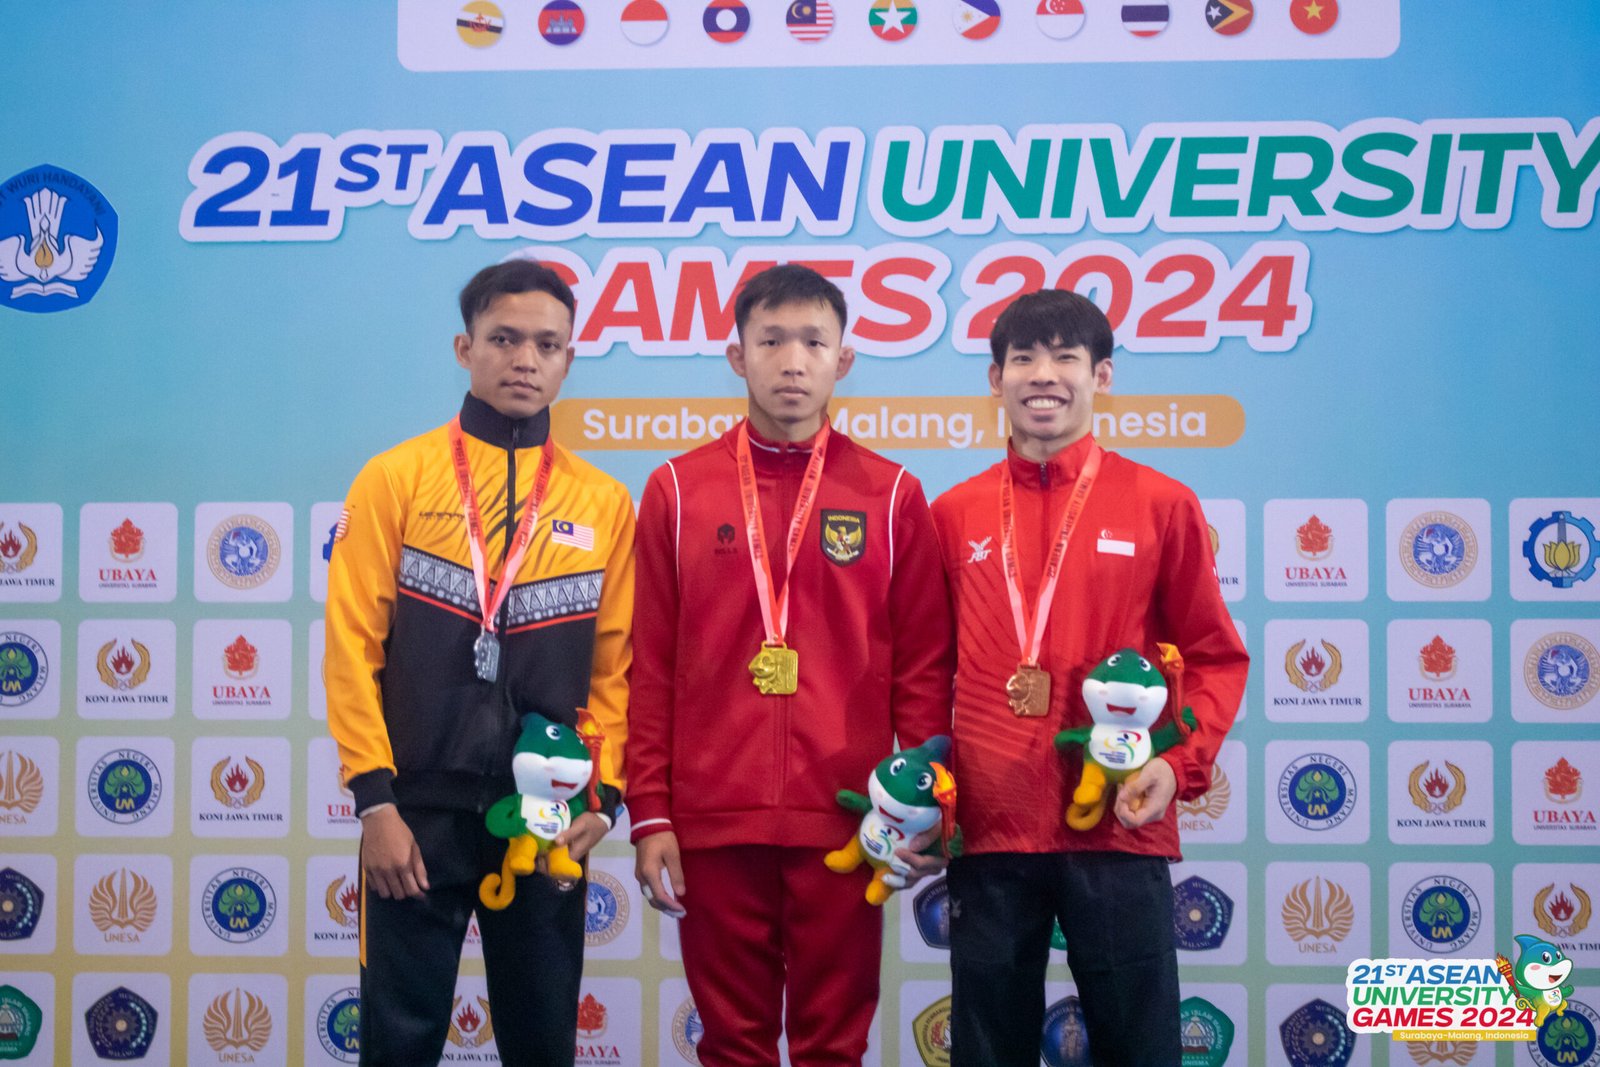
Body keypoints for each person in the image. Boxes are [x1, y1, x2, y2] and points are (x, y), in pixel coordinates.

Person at [626, 264, 955, 1067]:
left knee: (833, 1044)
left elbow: (921, 666)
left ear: (844, 360)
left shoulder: (893, 494)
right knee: (732, 1043)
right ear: (738, 356)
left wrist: (916, 806)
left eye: (814, 341)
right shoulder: (675, 489)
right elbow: (650, 667)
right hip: (712, 818)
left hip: (846, 819)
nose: (793, 360)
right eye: (771, 340)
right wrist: (652, 812)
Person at [324, 260, 635, 1067]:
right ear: (465, 348)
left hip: (544, 821)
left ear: (569, 359)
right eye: (504, 338)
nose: (524, 359)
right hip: (414, 816)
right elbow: (352, 650)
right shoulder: (395, 477)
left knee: (542, 1043)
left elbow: (614, 668)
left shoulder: (603, 502)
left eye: (547, 344)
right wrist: (375, 805)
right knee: (398, 1041)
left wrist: (604, 799)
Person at [930, 288, 1248, 1067]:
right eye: (1025, 358)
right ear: (994, 377)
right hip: (990, 826)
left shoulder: (1161, 505)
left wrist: (1177, 768)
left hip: (1118, 818)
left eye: (1067, 357)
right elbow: (925, 671)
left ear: (1101, 375)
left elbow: (1213, 655)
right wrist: (929, 793)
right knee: (986, 1048)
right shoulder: (953, 513)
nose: (1045, 375)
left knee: (1140, 1047)